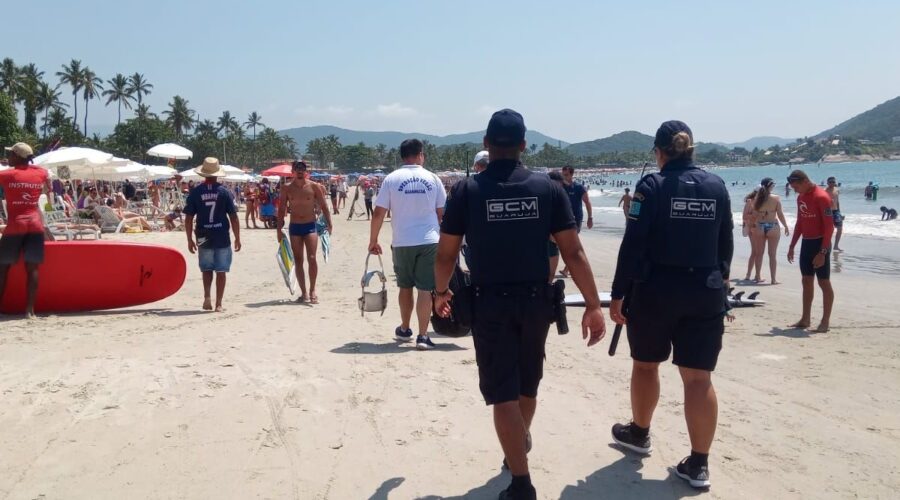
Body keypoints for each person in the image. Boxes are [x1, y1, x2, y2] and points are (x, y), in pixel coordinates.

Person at [434, 109, 606, 500]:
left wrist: (440, 292)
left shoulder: (467, 191)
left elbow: (445, 255)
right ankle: (518, 446)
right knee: (527, 384)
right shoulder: (548, 189)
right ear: (524, 146)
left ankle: (521, 483)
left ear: (486, 145)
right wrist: (594, 305)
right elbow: (573, 252)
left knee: (503, 395)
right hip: (535, 303)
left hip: (490, 303)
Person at [608, 121, 733, 490]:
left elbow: (633, 244)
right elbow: (725, 243)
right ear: (691, 149)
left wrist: (618, 293)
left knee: (646, 365)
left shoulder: (652, 186)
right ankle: (698, 464)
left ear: (659, 152)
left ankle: (640, 432)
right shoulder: (716, 185)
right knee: (698, 378)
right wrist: (720, 281)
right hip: (705, 290)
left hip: (656, 291)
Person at [368, 138, 446, 351]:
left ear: (403, 156)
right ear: (421, 154)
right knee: (424, 289)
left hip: (402, 241)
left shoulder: (392, 179)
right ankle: (422, 336)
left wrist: (373, 240)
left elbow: (378, 212)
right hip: (430, 239)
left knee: (405, 286)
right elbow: (442, 214)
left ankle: (404, 328)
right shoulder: (433, 178)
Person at [0, 143, 54, 318]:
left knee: (2, 268)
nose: (8, 158)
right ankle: (30, 311)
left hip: (16, 226)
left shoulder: (7, 175)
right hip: (35, 226)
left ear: (18, 156)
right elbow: (45, 173)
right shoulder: (40, 173)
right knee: (33, 269)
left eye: (11, 155)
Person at [182, 158, 241, 312]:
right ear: (217, 174)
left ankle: (207, 296)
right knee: (221, 270)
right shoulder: (224, 192)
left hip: (202, 234)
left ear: (203, 174)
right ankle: (219, 303)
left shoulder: (196, 192)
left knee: (206, 268)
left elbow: (188, 218)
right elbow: (233, 217)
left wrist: (189, 239)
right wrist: (237, 238)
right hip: (221, 235)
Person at [277, 161, 333, 304]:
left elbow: (324, 206)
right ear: (293, 171)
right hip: (295, 226)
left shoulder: (314, 186)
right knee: (298, 260)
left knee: (312, 257)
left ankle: (313, 290)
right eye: (297, 169)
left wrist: (329, 223)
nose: (300, 171)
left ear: (306, 171)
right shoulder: (286, 188)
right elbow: (282, 209)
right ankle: (304, 293)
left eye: (303, 169)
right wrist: (278, 229)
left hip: (310, 226)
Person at [786, 169, 834, 333]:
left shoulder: (822, 197)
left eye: (796, 186)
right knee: (806, 280)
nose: (794, 190)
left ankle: (825, 321)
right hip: (807, 243)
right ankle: (805, 319)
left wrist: (823, 252)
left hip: (821, 243)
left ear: (805, 181)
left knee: (823, 282)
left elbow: (829, 227)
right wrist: (792, 245)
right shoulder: (801, 198)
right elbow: (800, 222)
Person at [750, 178, 790, 284]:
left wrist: (750, 226)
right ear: (770, 186)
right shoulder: (776, 198)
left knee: (759, 254)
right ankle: (773, 279)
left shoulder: (757, 198)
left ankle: (758, 277)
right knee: (772, 254)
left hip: (760, 226)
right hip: (773, 226)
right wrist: (785, 225)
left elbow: (754, 215)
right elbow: (780, 214)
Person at [558, 165, 593, 277]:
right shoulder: (560, 187)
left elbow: (587, 202)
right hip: (561, 219)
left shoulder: (578, 188)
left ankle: (568, 270)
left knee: (572, 244)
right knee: (563, 245)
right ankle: (567, 269)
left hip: (575, 220)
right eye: (562, 175)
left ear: (572, 175)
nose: (564, 177)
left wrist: (590, 218)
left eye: (566, 175)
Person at [742, 188, 760, 281]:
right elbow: (744, 216)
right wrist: (754, 215)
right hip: (752, 228)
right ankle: (749, 275)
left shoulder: (760, 202)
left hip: (758, 228)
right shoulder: (750, 202)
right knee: (755, 252)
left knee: (757, 252)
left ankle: (755, 275)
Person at [825, 177, 844, 252]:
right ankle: (827, 245)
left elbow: (837, 201)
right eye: (830, 182)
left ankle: (836, 246)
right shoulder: (824, 191)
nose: (832, 183)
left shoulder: (837, 190)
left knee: (840, 228)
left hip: (836, 211)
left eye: (833, 182)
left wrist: (840, 212)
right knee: (829, 229)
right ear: (827, 183)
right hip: (827, 211)